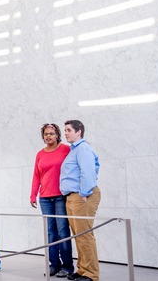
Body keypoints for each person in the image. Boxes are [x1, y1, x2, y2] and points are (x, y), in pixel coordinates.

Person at [30, 123, 74, 278]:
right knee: (51, 232)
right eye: (46, 134)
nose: (48, 136)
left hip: (61, 196)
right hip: (45, 198)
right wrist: (33, 194)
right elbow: (36, 175)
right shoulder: (40, 154)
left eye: (51, 133)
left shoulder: (66, 149)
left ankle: (68, 267)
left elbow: (77, 160)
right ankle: (54, 265)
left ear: (57, 135)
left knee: (63, 231)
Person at [60, 120, 101, 281]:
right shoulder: (73, 150)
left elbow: (88, 171)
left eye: (69, 130)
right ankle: (83, 270)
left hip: (82, 195)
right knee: (78, 235)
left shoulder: (83, 148)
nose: (66, 133)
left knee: (85, 234)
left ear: (79, 131)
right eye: (65, 130)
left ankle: (91, 274)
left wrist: (84, 192)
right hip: (72, 196)